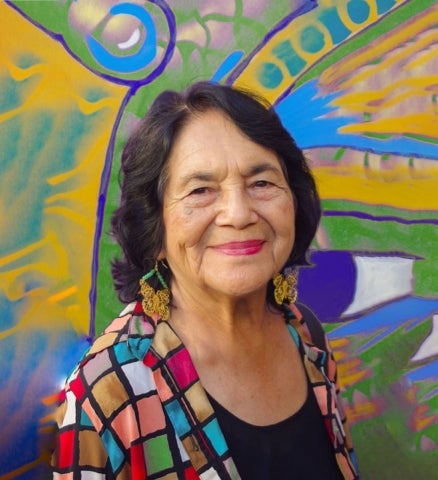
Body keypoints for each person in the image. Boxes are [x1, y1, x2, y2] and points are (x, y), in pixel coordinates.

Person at [52, 81, 359, 479]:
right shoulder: (108, 390)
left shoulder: (306, 336)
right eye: (200, 190)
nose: (238, 213)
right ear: (155, 229)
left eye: (262, 183)